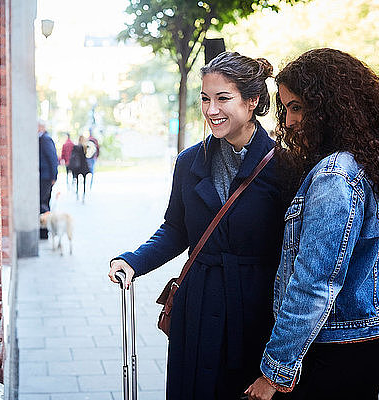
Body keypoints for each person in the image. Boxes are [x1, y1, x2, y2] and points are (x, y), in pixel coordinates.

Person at [245, 48, 379, 400]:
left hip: (340, 343)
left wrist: (275, 372)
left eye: (297, 107)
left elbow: (314, 283)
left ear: (329, 106)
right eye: (284, 109)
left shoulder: (336, 175)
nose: (288, 121)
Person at [108, 51, 287, 399]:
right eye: (205, 98)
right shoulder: (189, 161)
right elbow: (176, 229)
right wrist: (134, 261)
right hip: (198, 302)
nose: (211, 109)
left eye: (223, 98)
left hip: (254, 306)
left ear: (251, 101)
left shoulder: (284, 164)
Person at [38, 121, 58, 238]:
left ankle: (44, 232)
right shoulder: (42, 139)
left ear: (41, 127)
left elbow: (53, 158)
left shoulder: (45, 139)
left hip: (46, 178)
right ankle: (43, 230)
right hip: (43, 177)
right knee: (43, 203)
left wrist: (53, 176)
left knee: (44, 204)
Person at [69, 135, 90, 202]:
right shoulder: (85, 147)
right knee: (84, 181)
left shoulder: (76, 147)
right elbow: (87, 156)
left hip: (77, 166)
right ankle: (83, 194)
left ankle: (78, 193)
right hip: (83, 166)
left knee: (77, 180)